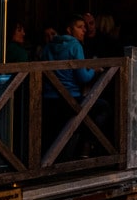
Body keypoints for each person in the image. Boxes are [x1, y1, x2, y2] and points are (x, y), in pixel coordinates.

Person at [42, 13, 110, 159]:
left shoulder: (49, 46)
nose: (84, 30)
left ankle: (56, 157)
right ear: (69, 30)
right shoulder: (74, 45)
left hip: (48, 99)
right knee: (103, 107)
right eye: (79, 27)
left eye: (84, 27)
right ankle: (84, 150)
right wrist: (94, 70)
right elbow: (83, 77)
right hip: (70, 99)